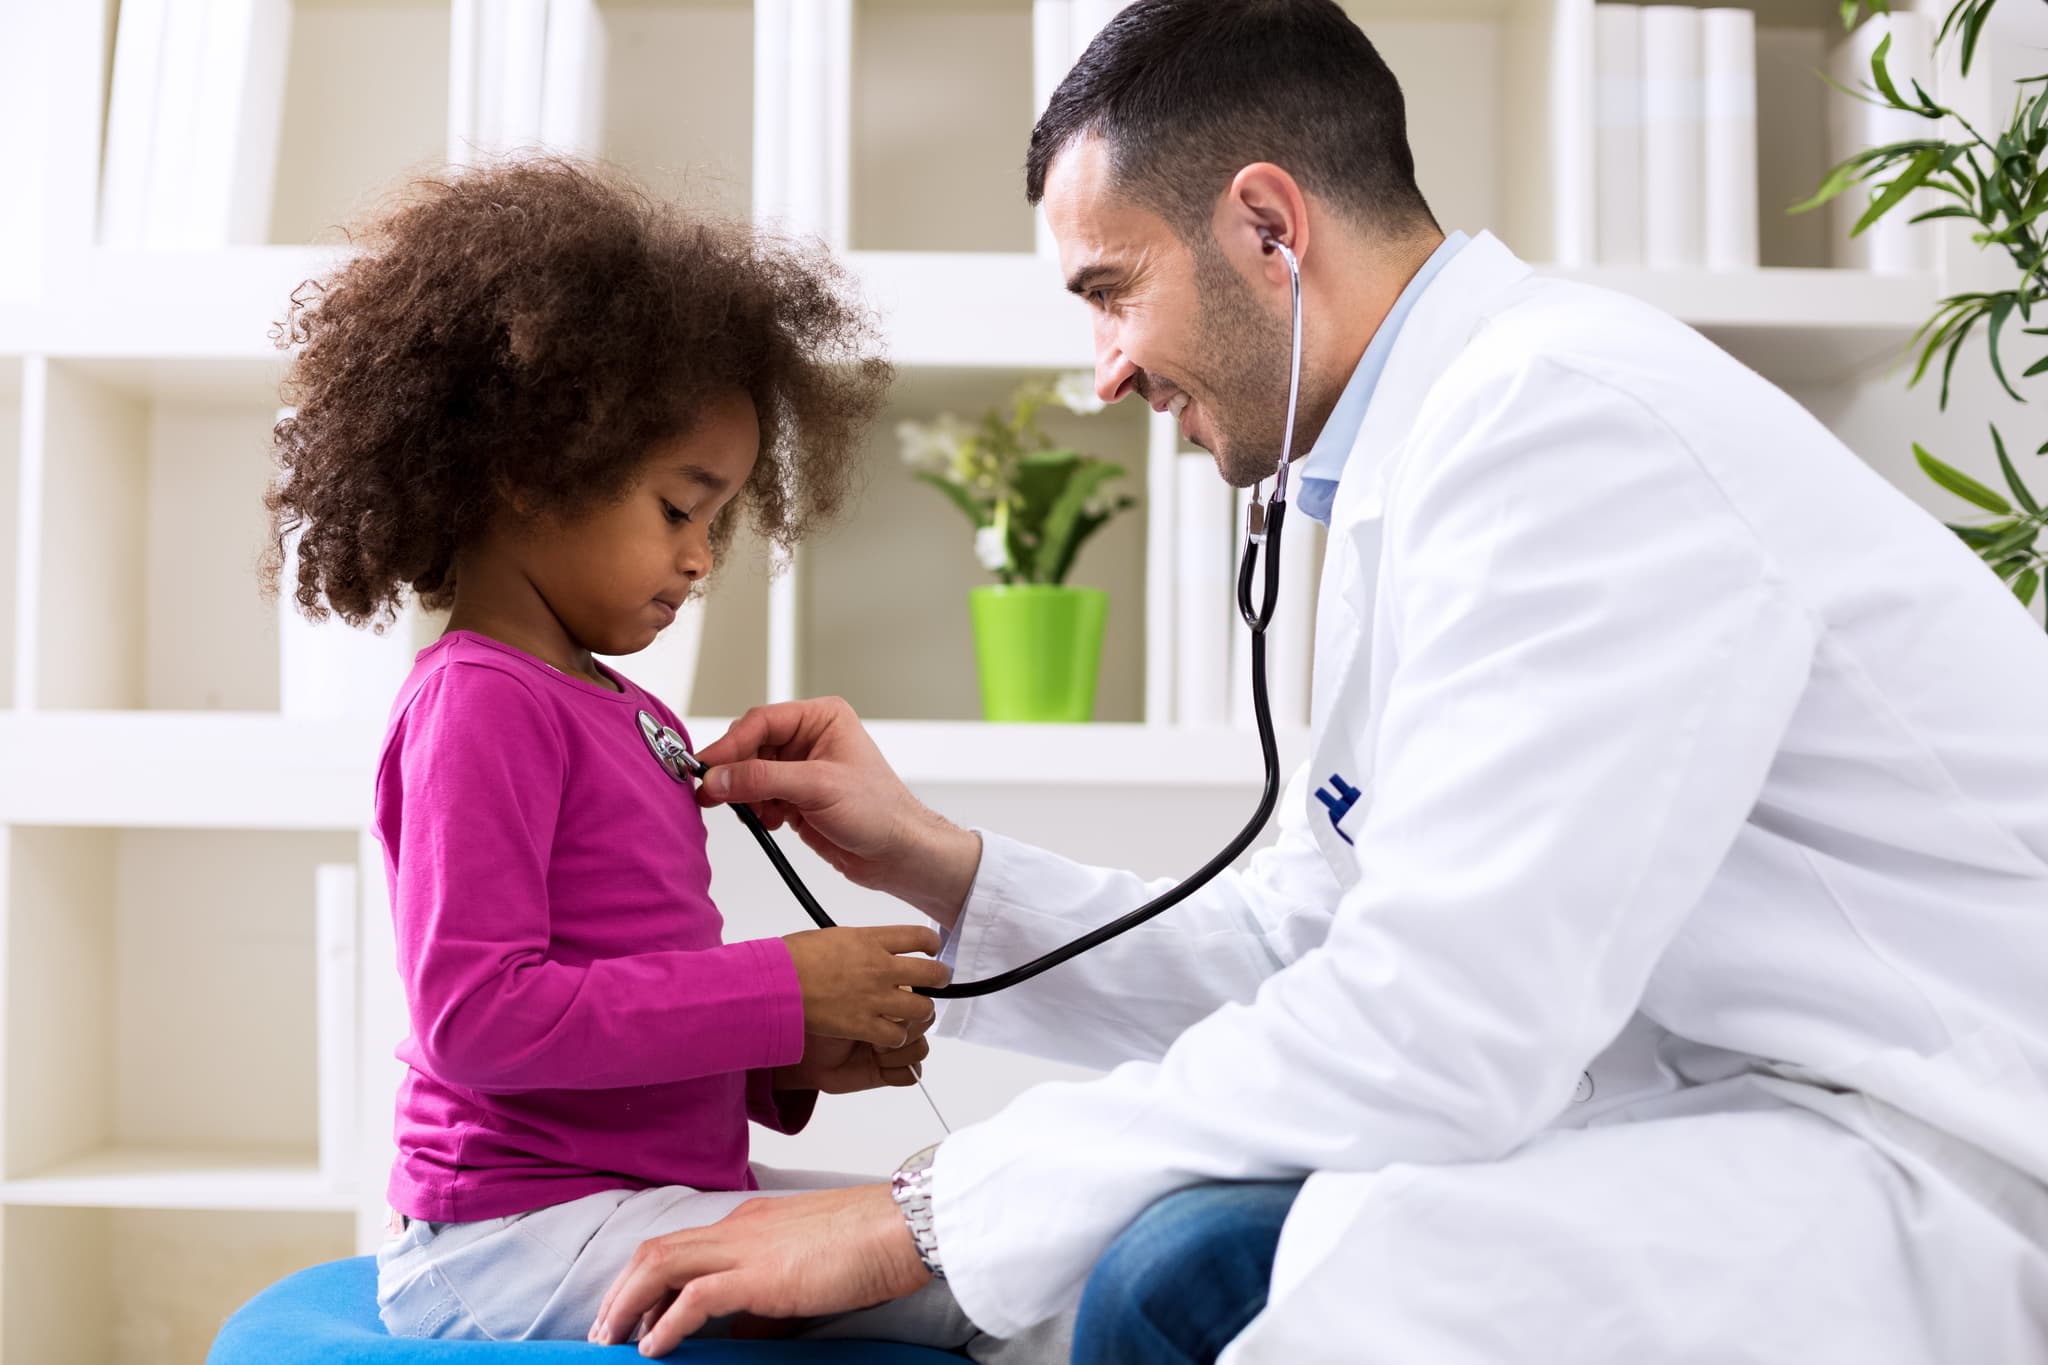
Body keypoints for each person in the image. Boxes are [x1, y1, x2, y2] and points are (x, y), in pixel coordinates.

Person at [588, 2, 2048, 1361]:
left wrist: (917, 1212)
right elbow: (1325, 946)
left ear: (1268, 227)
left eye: (1110, 291)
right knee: (1192, 1251)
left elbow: (1439, 1020)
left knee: (1264, 1265)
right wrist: (950, 872)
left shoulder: (1568, 428)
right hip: (1737, 1115)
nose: (1102, 370)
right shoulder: (1439, 448)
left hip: (1939, 1147)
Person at [263, 159, 1066, 1361]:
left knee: (1015, 1236)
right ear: (533, 468)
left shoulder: (619, 706)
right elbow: (478, 1019)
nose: (701, 558)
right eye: (678, 508)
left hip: (620, 1202)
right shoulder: (478, 704)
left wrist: (782, 1056)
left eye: (720, 519)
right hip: (514, 1236)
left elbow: (614, 1010)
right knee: (999, 1278)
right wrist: (777, 987)